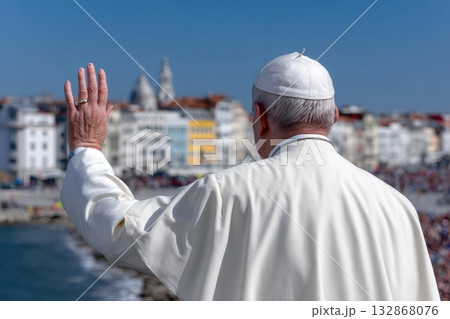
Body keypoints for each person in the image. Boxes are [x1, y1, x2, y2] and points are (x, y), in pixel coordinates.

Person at [61, 53, 440, 300]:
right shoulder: (397, 206)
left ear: (259, 116)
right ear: (335, 116)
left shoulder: (228, 192)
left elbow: (121, 229)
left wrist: (88, 148)